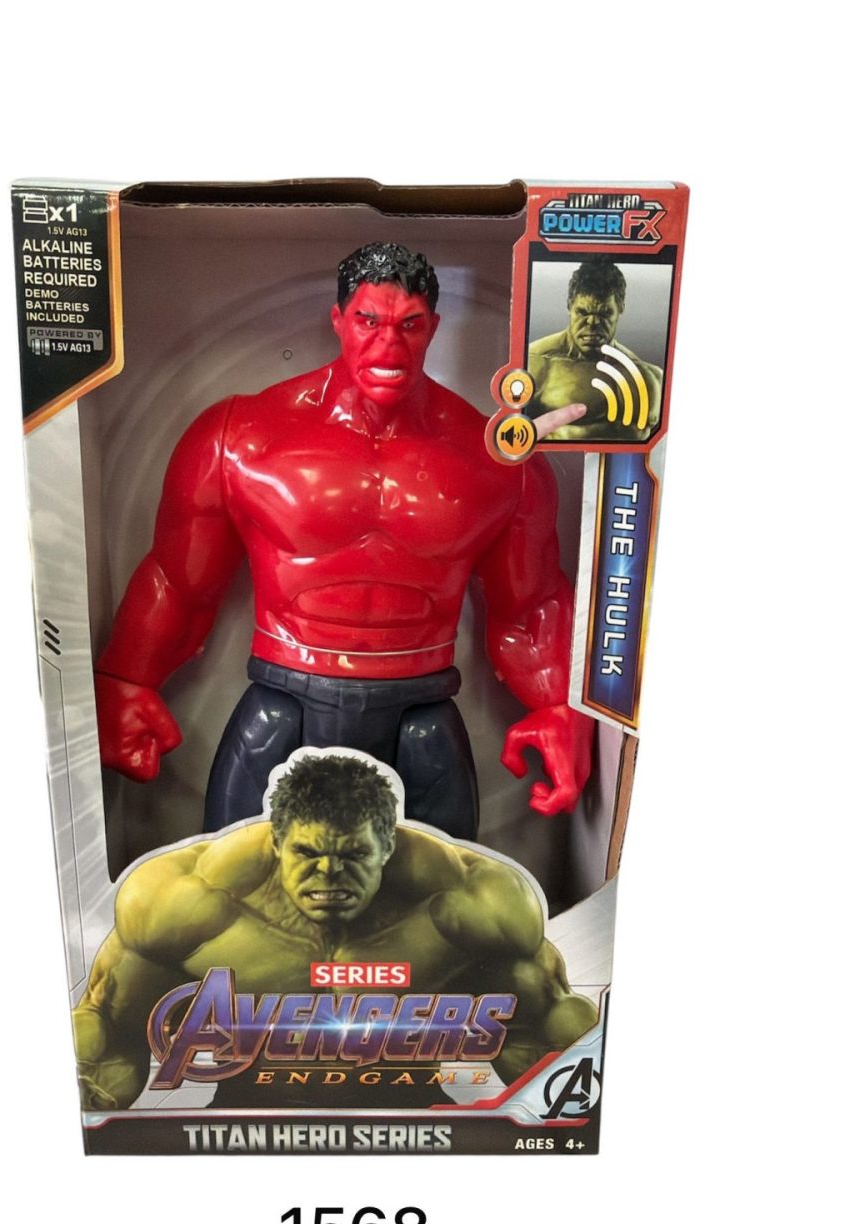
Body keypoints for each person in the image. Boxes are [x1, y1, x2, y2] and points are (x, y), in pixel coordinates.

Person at [95, 242, 593, 840]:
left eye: (409, 325)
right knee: (230, 874)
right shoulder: (241, 436)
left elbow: (530, 604)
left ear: (434, 326)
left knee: (445, 886)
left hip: (421, 709)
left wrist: (561, 706)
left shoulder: (498, 459)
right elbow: (178, 581)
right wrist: (126, 679)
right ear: (338, 319)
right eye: (369, 321)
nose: (388, 346)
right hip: (282, 700)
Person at [73, 753, 598, 1111]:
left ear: (388, 846)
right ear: (276, 842)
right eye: (306, 852)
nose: (328, 873)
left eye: (354, 855)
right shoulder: (181, 903)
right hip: (248, 1115)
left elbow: (558, 1043)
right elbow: (103, 1044)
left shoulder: (469, 905)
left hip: (410, 1115)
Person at [528, 258, 663, 442]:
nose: (592, 323)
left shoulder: (650, 376)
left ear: (620, 308)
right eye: (582, 312)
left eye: (604, 313)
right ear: (569, 306)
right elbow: (512, 439)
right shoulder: (535, 363)